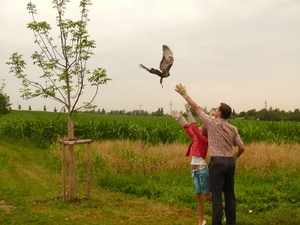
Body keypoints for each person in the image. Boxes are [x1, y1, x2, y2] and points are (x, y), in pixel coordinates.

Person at [175, 83, 245, 225]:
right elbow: (242, 147)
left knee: (217, 196)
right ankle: (231, 222)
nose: (215, 110)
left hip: (217, 163)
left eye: (217, 108)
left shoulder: (212, 123)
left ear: (219, 113)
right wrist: (235, 157)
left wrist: (184, 94)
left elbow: (196, 108)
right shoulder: (232, 128)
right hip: (230, 163)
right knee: (230, 195)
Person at [171, 104, 212, 225]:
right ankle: (201, 221)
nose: (199, 127)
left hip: (202, 170)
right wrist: (179, 118)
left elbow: (193, 127)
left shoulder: (204, 140)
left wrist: (189, 113)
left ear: (205, 131)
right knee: (199, 197)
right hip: (194, 170)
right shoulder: (196, 138)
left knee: (208, 197)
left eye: (201, 126)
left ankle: (225, 208)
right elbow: (188, 128)